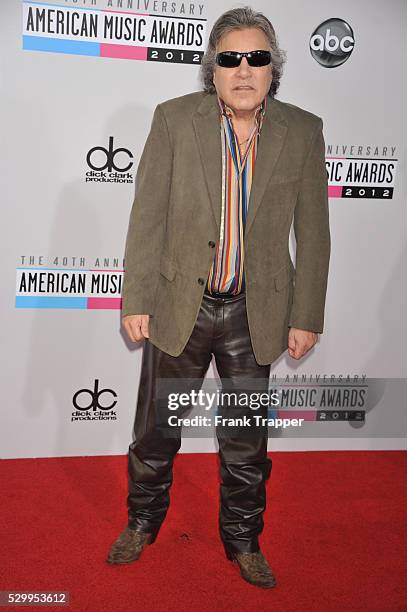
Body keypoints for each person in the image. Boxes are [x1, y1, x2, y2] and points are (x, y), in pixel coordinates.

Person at [107, 6, 330, 589]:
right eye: (230, 58)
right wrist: (137, 299)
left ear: (273, 68)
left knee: (245, 442)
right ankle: (141, 523)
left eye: (257, 57)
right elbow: (147, 217)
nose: (243, 69)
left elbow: (314, 233)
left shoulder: (304, 130)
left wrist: (305, 315)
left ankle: (244, 541)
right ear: (213, 69)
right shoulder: (174, 121)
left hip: (254, 314)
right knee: (156, 431)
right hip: (183, 302)